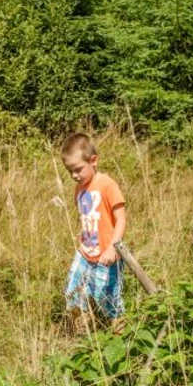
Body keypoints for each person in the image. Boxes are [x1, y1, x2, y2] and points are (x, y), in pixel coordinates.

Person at [61, 133, 127, 335]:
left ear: (94, 160)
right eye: (70, 171)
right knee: (71, 290)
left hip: (107, 255)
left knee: (106, 297)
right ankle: (82, 331)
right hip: (85, 252)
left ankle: (121, 335)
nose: (74, 175)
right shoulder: (79, 189)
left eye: (78, 169)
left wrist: (112, 248)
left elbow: (121, 219)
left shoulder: (107, 184)